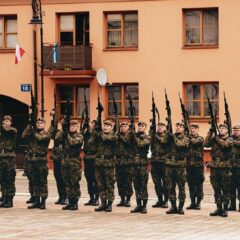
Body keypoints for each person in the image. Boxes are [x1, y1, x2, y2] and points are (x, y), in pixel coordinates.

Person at [22, 117, 51, 210]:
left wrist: (33, 131)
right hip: (32, 160)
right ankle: (36, 201)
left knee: (42, 182)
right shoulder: (32, 132)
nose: (39, 124)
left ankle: (43, 202)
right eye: (38, 122)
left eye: (41, 122)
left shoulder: (46, 134)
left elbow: (39, 138)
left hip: (41, 161)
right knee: (34, 182)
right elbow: (23, 136)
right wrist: (29, 125)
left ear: (44, 124)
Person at [204, 123, 232, 217]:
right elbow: (206, 143)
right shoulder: (214, 138)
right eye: (220, 128)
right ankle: (218, 207)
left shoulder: (230, 139)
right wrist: (210, 132)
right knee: (216, 189)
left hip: (224, 167)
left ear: (227, 130)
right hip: (215, 166)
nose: (221, 130)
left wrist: (217, 139)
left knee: (225, 189)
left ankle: (225, 209)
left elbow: (224, 146)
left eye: (223, 128)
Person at [165, 122, 189, 215]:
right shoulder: (170, 137)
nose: (178, 128)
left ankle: (180, 207)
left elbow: (180, 145)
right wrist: (167, 133)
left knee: (181, 187)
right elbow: (163, 142)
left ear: (183, 129)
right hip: (170, 164)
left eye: (180, 127)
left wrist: (172, 137)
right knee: (170, 187)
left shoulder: (186, 138)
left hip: (180, 165)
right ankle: (173, 206)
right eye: (177, 126)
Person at [94, 120, 117, 212]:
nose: (105, 127)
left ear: (111, 127)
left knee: (109, 184)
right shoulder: (99, 135)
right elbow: (91, 142)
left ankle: (110, 203)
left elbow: (105, 138)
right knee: (100, 184)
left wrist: (99, 132)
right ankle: (103, 203)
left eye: (108, 126)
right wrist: (95, 131)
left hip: (109, 163)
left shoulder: (113, 135)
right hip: (99, 162)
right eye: (104, 125)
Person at [61, 119, 83, 211]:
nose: (72, 127)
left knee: (74, 183)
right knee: (67, 183)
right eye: (70, 126)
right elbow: (56, 137)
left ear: (77, 127)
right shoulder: (65, 135)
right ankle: (70, 201)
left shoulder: (79, 136)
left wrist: (67, 135)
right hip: (65, 162)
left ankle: (75, 202)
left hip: (74, 162)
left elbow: (73, 143)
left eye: (74, 126)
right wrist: (63, 128)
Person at [131, 121, 151, 214]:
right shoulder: (134, 136)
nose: (140, 127)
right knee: (136, 185)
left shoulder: (147, 137)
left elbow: (141, 144)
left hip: (143, 164)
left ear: (145, 128)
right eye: (139, 126)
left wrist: (134, 137)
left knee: (143, 185)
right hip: (134, 163)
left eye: (143, 126)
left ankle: (144, 206)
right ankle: (138, 204)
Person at [150, 122, 170, 208]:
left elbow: (164, 142)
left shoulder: (168, 136)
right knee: (157, 183)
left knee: (166, 183)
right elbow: (149, 137)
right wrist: (151, 129)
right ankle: (160, 200)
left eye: (162, 126)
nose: (160, 128)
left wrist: (155, 135)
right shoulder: (153, 136)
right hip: (154, 163)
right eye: (158, 126)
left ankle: (166, 200)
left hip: (164, 163)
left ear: (165, 128)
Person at [186, 123, 204, 210]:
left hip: (198, 165)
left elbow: (195, 142)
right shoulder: (187, 138)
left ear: (198, 130)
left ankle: (198, 202)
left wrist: (189, 137)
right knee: (191, 184)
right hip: (189, 164)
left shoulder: (200, 138)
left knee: (199, 184)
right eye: (191, 128)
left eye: (194, 129)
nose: (192, 130)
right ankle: (192, 202)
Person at [0, 115, 17, 208]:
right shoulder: (2, 133)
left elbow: (7, 129)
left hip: (10, 158)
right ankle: (5, 198)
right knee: (2, 179)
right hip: (2, 157)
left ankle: (10, 200)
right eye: (4, 121)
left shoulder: (12, 131)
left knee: (9, 179)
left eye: (7, 121)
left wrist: (4, 126)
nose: (5, 122)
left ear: (10, 122)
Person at [116, 121, 134, 207]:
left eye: (125, 126)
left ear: (128, 128)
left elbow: (127, 141)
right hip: (119, 162)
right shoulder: (117, 136)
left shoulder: (130, 136)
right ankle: (122, 199)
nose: (123, 128)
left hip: (128, 162)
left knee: (128, 181)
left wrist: (119, 136)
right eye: (122, 126)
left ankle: (128, 199)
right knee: (120, 181)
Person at [83, 120, 99, 206]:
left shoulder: (97, 134)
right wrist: (84, 125)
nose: (92, 125)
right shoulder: (86, 134)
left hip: (94, 158)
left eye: (94, 124)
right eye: (91, 124)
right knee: (89, 179)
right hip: (87, 158)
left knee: (95, 180)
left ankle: (96, 198)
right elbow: (82, 134)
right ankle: (91, 197)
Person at [50, 125, 67, 205]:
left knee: (63, 179)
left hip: (63, 159)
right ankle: (60, 196)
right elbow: (50, 134)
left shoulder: (65, 134)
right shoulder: (56, 133)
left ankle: (65, 197)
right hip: (56, 159)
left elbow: (64, 132)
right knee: (58, 179)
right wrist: (52, 123)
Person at [228, 124, 240, 212]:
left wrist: (232, 141)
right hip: (231, 167)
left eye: (237, 130)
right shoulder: (230, 138)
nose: (236, 131)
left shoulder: (232, 140)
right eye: (234, 130)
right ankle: (232, 205)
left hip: (239, 167)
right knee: (231, 187)